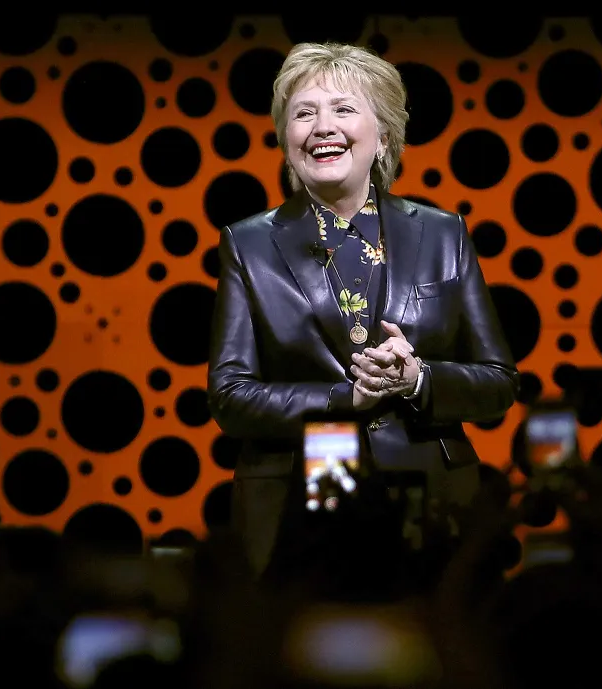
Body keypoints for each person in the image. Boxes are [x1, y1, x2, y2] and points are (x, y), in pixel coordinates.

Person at [206, 42, 519, 579]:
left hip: (431, 497)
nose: (321, 127)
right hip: (296, 498)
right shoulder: (247, 243)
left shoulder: (444, 233)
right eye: (304, 114)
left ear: (383, 137)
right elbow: (231, 397)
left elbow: (497, 384)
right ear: (286, 141)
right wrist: (342, 397)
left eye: (344, 109)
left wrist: (420, 379)